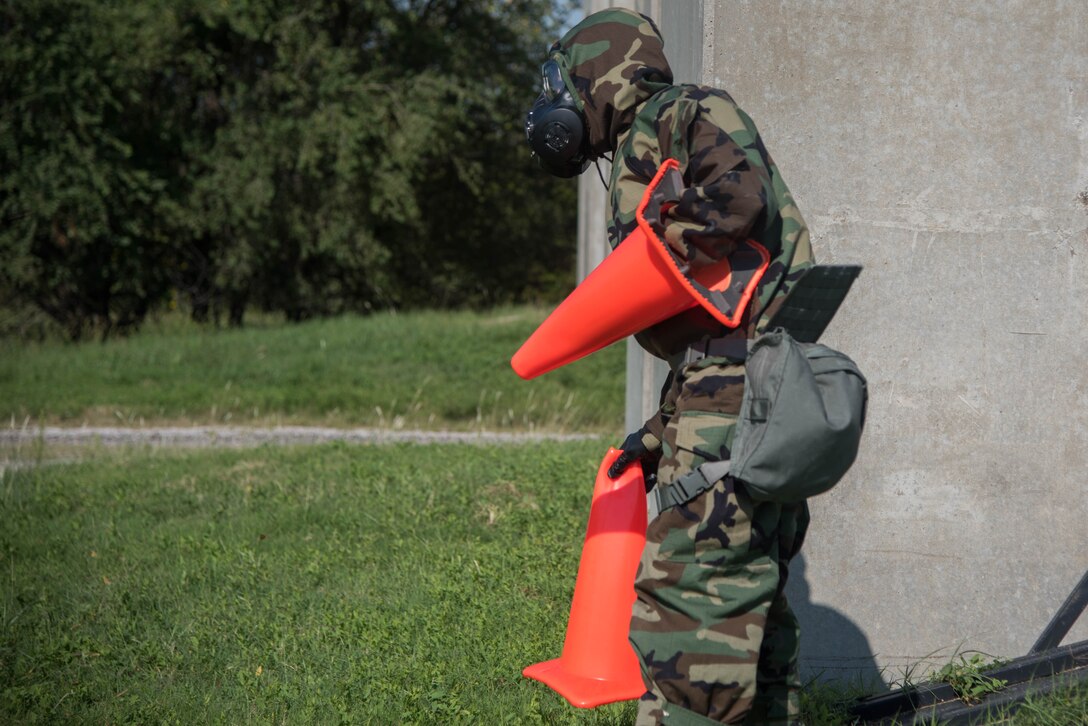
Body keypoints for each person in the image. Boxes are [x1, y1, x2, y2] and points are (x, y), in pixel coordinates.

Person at [525, 9, 814, 726]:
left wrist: (655, 243)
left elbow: (736, 196)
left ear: (597, 76)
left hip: (749, 385)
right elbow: (709, 332)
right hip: (746, 385)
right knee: (752, 608)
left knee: (691, 602)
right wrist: (656, 435)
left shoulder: (683, 111)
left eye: (567, 81)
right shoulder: (645, 143)